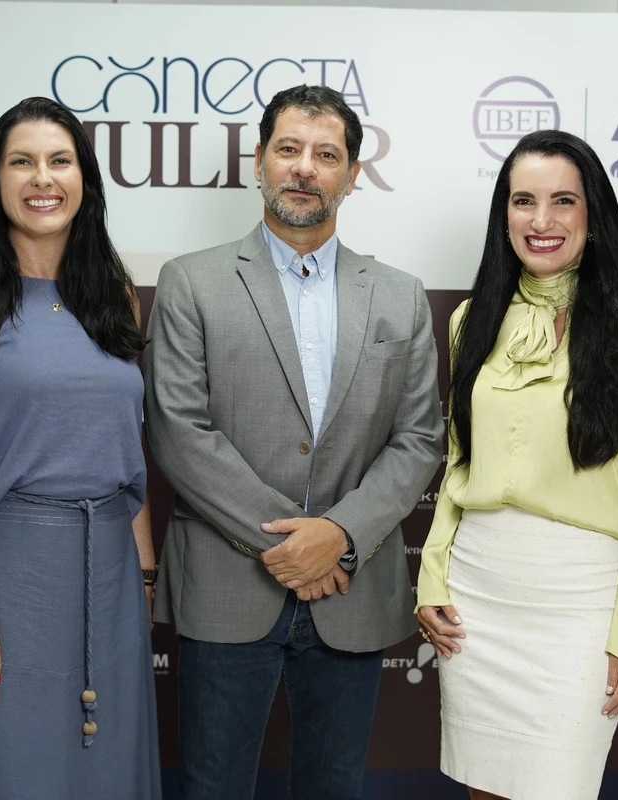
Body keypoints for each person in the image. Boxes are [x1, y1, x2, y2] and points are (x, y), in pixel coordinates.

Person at [143, 84, 444, 800]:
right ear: (259, 160)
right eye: (289, 149)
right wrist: (294, 544)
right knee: (213, 787)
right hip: (225, 583)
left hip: (352, 587)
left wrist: (338, 534)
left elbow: (421, 437)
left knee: (334, 788)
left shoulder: (400, 295)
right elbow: (179, 430)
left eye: (326, 154)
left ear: (352, 174)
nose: (304, 168)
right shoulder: (191, 282)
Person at [0, 97, 160, 800]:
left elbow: (126, 457)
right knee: (4, 772)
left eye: (59, 161)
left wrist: (140, 587)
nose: (41, 179)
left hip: (108, 583)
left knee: (104, 775)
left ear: (85, 181)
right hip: (3, 582)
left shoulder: (116, 301)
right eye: (21, 161)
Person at [416, 129, 618, 800]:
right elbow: (457, 462)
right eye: (523, 201)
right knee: (487, 792)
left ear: (593, 217)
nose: (541, 220)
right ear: (503, 215)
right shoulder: (471, 320)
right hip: (478, 594)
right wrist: (432, 574)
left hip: (580, 603)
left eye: (564, 201)